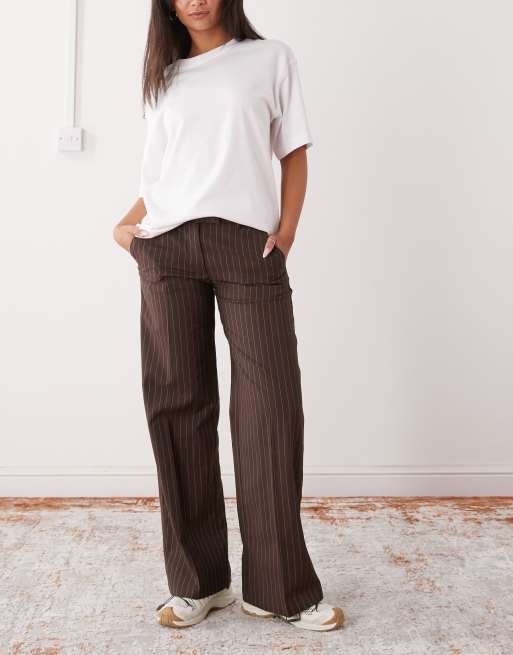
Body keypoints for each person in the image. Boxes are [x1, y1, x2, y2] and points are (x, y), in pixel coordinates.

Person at [113, 0, 345, 633]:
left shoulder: (269, 59)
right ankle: (198, 583)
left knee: (270, 408)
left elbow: (293, 151)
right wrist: (127, 229)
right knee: (177, 406)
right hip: (167, 246)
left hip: (247, 244)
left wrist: (286, 232)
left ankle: (279, 588)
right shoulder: (164, 75)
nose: (195, 0)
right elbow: (164, 174)